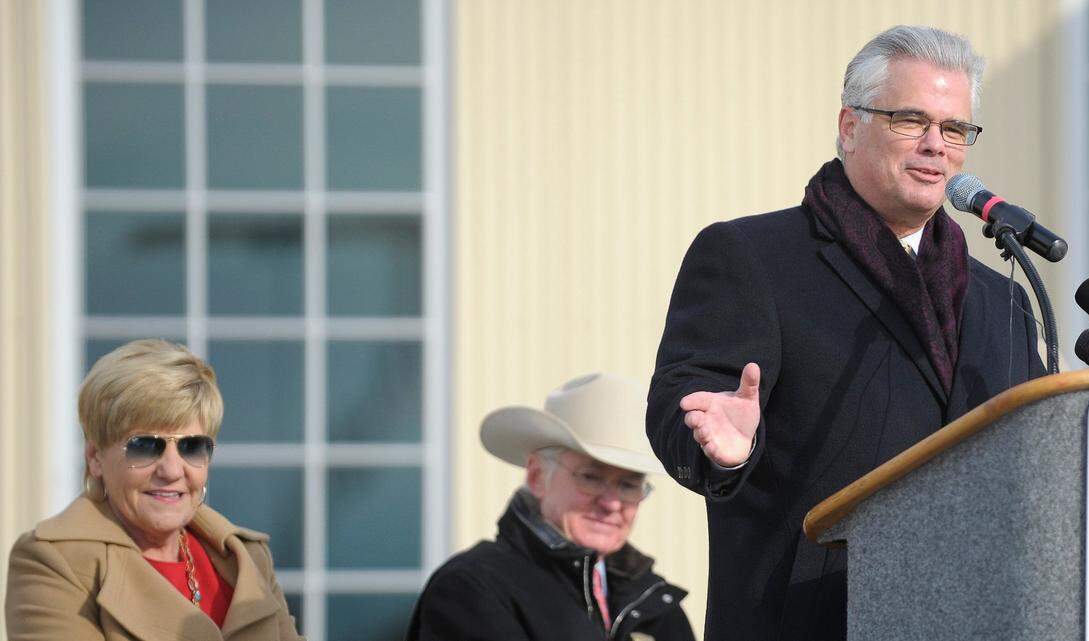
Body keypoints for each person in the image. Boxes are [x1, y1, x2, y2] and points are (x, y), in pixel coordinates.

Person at [646, 25, 1047, 641]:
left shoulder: (1004, 301)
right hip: (810, 617)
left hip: (975, 616)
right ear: (850, 125)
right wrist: (722, 445)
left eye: (954, 129)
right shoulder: (753, 257)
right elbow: (686, 401)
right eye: (910, 120)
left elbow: (1042, 457)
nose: (936, 145)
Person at [5, 339, 302, 641]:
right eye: (145, 446)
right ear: (95, 458)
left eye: (191, 446)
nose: (172, 470)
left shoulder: (247, 558)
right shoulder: (52, 561)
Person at [407, 373, 695, 641]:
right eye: (591, 478)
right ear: (536, 477)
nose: (611, 503)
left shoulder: (657, 607)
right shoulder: (471, 588)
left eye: (628, 485)